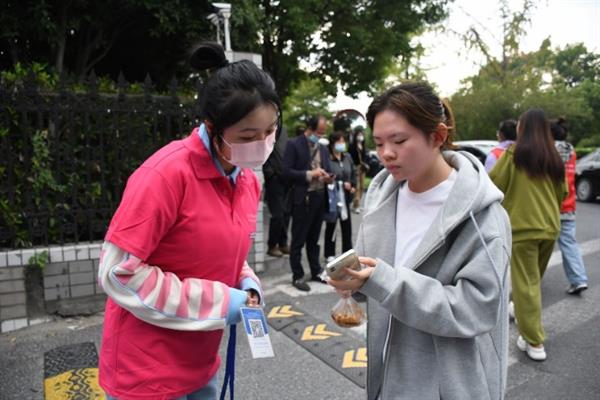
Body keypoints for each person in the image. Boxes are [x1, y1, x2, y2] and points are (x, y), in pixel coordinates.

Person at [97, 42, 280, 399]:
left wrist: (246, 282)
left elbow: (224, 251)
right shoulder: (165, 175)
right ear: (211, 127)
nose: (261, 144)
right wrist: (222, 302)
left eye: (270, 131)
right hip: (145, 373)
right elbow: (118, 272)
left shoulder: (247, 180)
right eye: (247, 136)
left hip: (201, 363)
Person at [328, 82, 511, 399]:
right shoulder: (382, 198)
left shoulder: (481, 215)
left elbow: (477, 309)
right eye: (379, 143)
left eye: (399, 140)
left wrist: (382, 281)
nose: (386, 153)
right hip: (388, 377)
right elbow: (375, 278)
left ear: (437, 136)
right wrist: (354, 283)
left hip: (449, 384)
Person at [490, 108, 566, 362]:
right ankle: (520, 312)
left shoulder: (514, 154)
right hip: (550, 227)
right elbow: (563, 193)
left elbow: (493, 183)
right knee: (531, 282)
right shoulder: (553, 156)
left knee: (527, 285)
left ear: (522, 128)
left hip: (523, 228)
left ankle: (534, 340)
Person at [283, 115, 334, 291]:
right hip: (303, 198)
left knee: (314, 238)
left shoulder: (323, 148)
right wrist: (309, 174)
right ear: (310, 129)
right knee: (298, 239)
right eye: (319, 132)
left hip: (320, 196)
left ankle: (316, 271)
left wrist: (328, 177)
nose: (320, 136)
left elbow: (328, 169)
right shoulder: (294, 144)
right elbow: (286, 171)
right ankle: (297, 275)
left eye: (323, 133)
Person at [551, 118, 589, 294]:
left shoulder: (549, 149)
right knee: (569, 244)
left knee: (537, 245)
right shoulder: (571, 150)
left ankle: (531, 281)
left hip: (551, 205)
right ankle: (578, 279)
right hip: (569, 204)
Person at [324, 131, 357, 262]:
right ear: (333, 143)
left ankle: (347, 251)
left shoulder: (347, 157)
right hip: (332, 194)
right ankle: (329, 253)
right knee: (331, 223)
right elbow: (326, 174)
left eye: (344, 141)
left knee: (346, 224)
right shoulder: (327, 158)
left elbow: (353, 172)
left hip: (345, 195)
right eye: (339, 141)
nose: (342, 144)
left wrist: (352, 185)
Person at [263, 126, 291, 257]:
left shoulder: (283, 130)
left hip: (286, 178)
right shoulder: (266, 128)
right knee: (278, 214)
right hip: (274, 179)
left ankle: (283, 243)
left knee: (286, 213)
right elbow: (263, 152)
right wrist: (270, 173)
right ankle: (272, 245)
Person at [349, 126, 368, 212]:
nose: (360, 136)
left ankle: (358, 203)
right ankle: (356, 205)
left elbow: (365, 157)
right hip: (355, 168)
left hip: (362, 168)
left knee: (362, 186)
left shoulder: (363, 145)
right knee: (357, 186)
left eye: (362, 134)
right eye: (359, 134)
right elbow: (350, 158)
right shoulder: (352, 146)